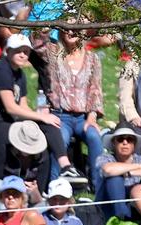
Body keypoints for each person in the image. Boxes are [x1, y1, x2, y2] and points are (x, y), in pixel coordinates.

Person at [0, 34, 83, 187]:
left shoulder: (20, 74)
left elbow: (23, 106)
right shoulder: (2, 70)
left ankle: (64, 167)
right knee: (6, 139)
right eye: (18, 51)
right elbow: (11, 106)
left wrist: (42, 118)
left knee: (47, 129)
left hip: (9, 119)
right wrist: (40, 116)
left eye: (26, 51)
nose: (22, 54)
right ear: (9, 51)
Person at [39, 28, 104, 185]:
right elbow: (36, 42)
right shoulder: (52, 54)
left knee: (94, 137)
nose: (71, 32)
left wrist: (92, 117)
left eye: (75, 29)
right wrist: (45, 28)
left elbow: (95, 89)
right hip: (60, 115)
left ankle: (97, 186)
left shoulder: (92, 58)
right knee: (60, 139)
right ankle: (54, 185)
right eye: (66, 28)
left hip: (83, 117)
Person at [94, 125, 141, 220]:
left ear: (134, 144)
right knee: (114, 179)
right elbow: (108, 170)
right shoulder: (105, 158)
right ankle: (122, 219)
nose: (125, 142)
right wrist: (138, 167)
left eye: (129, 139)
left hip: (134, 205)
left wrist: (129, 173)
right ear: (114, 143)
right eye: (120, 139)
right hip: (107, 206)